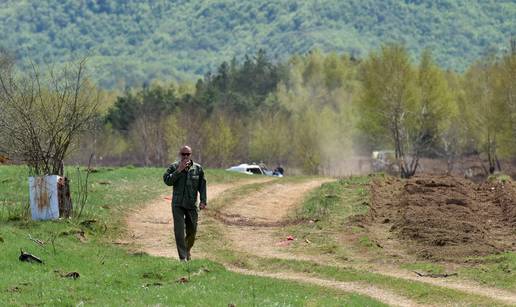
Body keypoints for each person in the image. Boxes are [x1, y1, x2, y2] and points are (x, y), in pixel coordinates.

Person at [163, 145, 207, 261]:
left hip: (191, 205)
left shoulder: (198, 169)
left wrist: (203, 201)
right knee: (179, 231)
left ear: (191, 155)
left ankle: (187, 250)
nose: (186, 157)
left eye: (188, 154)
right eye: (183, 154)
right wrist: (179, 170)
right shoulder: (174, 167)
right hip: (177, 204)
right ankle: (182, 257)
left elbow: (202, 186)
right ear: (180, 154)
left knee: (192, 231)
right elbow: (167, 180)